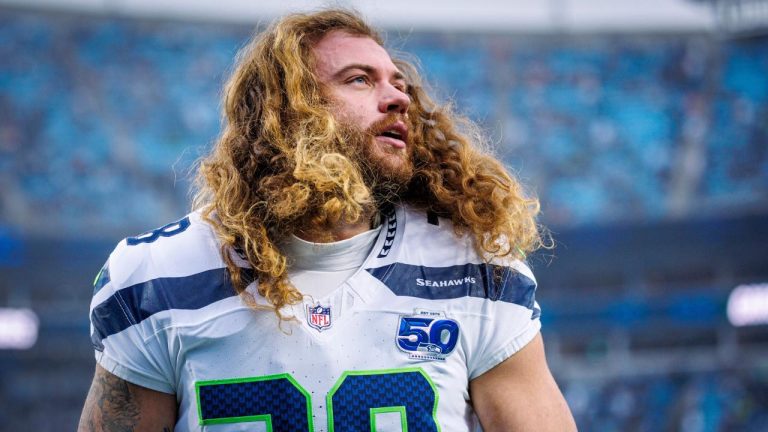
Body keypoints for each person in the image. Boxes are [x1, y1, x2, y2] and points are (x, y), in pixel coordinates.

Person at [79, 9, 576, 432]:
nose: (399, 98)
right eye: (359, 79)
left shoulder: (475, 268)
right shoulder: (157, 274)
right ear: (285, 109)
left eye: (398, 84)